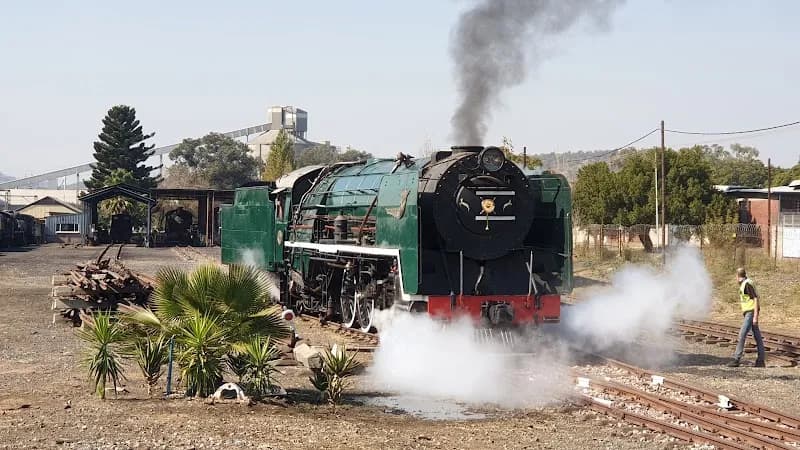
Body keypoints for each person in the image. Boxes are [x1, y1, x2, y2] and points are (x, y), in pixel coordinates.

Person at [727, 268, 766, 367]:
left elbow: (755, 299)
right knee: (757, 336)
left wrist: (755, 316)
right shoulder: (746, 283)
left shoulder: (747, 284)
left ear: (738, 276)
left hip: (751, 312)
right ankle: (761, 361)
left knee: (742, 334)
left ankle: (736, 359)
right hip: (749, 312)